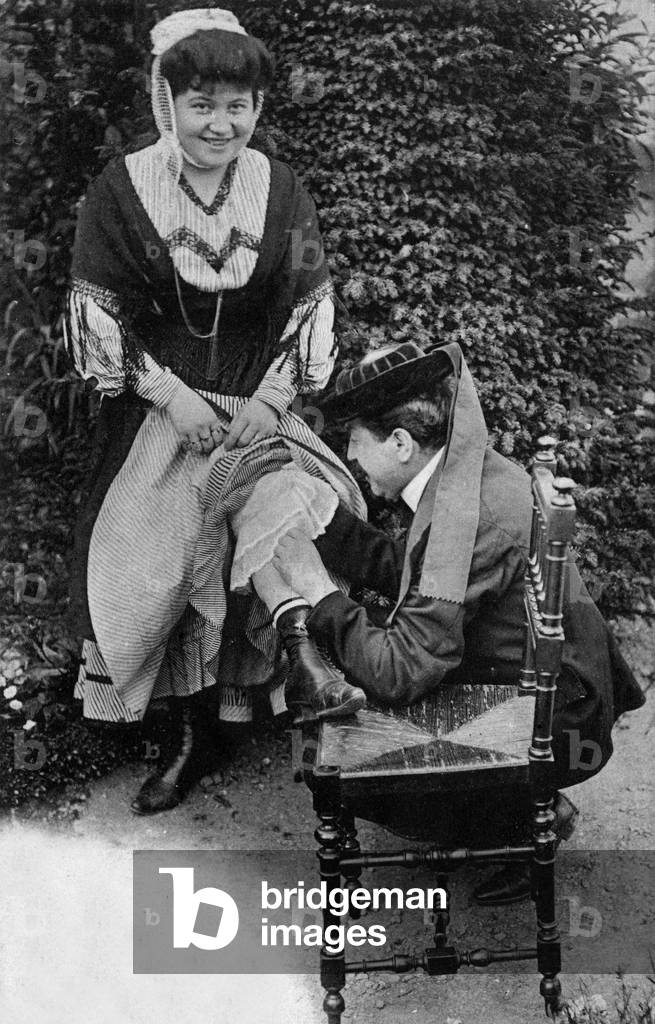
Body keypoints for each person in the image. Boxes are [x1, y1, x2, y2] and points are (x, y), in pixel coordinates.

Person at [65, 8, 367, 815]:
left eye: (239, 105)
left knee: (289, 506)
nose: (221, 124)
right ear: (166, 102)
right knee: (162, 548)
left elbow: (309, 302)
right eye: (202, 104)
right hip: (159, 405)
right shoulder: (122, 189)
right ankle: (189, 735)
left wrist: (273, 399)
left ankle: (300, 687)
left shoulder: (279, 187)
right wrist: (171, 396)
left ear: (258, 109)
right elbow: (98, 313)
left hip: (255, 399)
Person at [266, 340, 646, 903]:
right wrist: (330, 528)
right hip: (549, 681)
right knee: (361, 656)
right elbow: (414, 572)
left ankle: (516, 818)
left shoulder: (469, 515)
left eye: (354, 443)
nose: (349, 458)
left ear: (399, 444)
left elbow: (399, 672)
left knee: (352, 772)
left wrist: (318, 590)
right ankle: (518, 810)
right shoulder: (467, 473)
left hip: (555, 716)